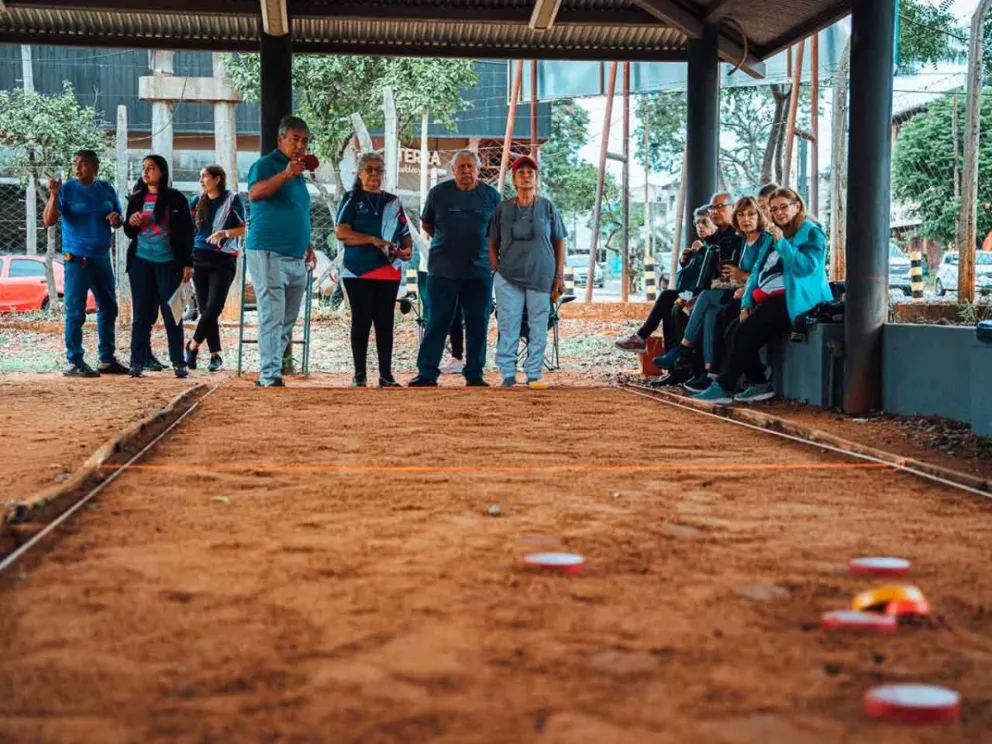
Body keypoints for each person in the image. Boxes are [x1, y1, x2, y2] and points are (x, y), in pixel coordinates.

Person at [695, 187, 833, 404]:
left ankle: (723, 386)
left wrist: (783, 244)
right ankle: (758, 383)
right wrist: (746, 303)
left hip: (797, 299)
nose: (779, 213)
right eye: (774, 209)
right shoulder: (773, 234)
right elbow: (757, 270)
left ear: (797, 206)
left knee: (743, 332)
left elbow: (805, 268)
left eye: (784, 207)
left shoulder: (811, 232)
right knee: (733, 330)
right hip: (767, 296)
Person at [655, 195, 770, 392]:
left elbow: (760, 274)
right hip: (728, 291)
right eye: (742, 215)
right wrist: (690, 260)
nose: (746, 219)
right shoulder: (731, 240)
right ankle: (708, 374)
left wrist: (741, 280)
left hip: (745, 294)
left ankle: (683, 351)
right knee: (692, 308)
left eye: (751, 214)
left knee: (704, 300)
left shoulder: (757, 239)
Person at [409, 150, 501, 388]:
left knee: (478, 322)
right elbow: (427, 223)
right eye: (461, 167)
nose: (466, 171)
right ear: (453, 170)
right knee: (437, 320)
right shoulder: (439, 193)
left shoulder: (491, 196)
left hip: (479, 271)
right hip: (442, 271)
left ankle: (474, 374)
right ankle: (427, 373)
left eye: (471, 166)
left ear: (478, 170)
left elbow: (498, 231)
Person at [42, 149, 128, 378]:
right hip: (76, 260)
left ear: (95, 168)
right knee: (76, 312)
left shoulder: (106, 189)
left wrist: (116, 219)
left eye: (83, 164)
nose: (77, 168)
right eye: (75, 163)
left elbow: (119, 220)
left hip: (101, 258)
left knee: (109, 308)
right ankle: (74, 361)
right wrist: (53, 194)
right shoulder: (67, 189)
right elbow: (49, 221)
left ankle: (107, 359)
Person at [246, 115, 318, 388]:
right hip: (268, 250)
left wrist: (307, 245)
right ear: (280, 139)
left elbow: (298, 212)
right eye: (295, 139)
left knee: (287, 318)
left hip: (295, 254)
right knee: (272, 314)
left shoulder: (299, 175)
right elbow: (255, 193)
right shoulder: (266, 165)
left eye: (304, 141)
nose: (300, 145)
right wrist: (286, 173)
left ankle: (272, 369)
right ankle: (269, 375)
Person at [335, 152, 412, 388]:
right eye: (369, 169)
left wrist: (405, 251)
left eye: (379, 169)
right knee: (361, 321)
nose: (374, 174)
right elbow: (341, 232)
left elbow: (405, 236)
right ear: (360, 173)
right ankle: (359, 375)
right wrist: (372, 239)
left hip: (388, 270)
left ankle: (386, 375)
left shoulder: (393, 201)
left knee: (385, 322)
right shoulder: (352, 198)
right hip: (358, 270)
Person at [489, 155, 567, 388]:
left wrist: (559, 275)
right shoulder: (502, 208)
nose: (526, 176)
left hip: (541, 275)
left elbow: (559, 240)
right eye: (521, 173)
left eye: (530, 173)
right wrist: (496, 270)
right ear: (513, 180)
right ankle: (508, 374)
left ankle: (534, 374)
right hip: (508, 276)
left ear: (536, 179)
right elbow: (492, 241)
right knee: (508, 324)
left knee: (538, 324)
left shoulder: (547, 207)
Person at [122, 155, 195, 378]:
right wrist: (131, 222)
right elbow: (128, 232)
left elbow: (186, 232)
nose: (146, 172)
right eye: (144, 168)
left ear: (162, 172)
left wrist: (187, 263)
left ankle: (179, 362)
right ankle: (137, 362)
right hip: (141, 262)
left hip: (169, 263)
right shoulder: (136, 198)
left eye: (151, 168)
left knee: (172, 313)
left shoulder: (175, 199)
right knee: (142, 313)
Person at [614, 206, 715, 354]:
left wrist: (702, 252)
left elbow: (711, 270)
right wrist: (685, 260)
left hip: (700, 294)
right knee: (669, 307)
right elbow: (692, 272)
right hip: (687, 292)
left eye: (704, 222)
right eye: (697, 222)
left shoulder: (712, 246)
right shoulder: (701, 245)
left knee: (667, 296)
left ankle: (641, 337)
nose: (700, 226)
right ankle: (670, 357)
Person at [186, 165, 246, 373]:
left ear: (218, 179)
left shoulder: (232, 199)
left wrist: (224, 233)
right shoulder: (195, 201)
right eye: (200, 176)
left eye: (205, 176)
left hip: (223, 258)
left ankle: (192, 346)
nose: (201, 180)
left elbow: (243, 228)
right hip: (199, 257)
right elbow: (188, 230)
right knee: (205, 310)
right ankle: (215, 355)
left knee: (213, 307)